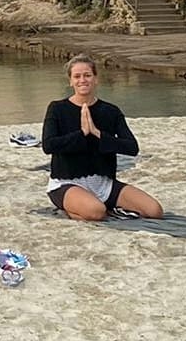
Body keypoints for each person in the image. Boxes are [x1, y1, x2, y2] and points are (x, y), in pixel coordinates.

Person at [40, 56, 162, 221]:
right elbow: (48, 145)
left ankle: (97, 207)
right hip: (67, 182)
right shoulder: (57, 108)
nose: (82, 80)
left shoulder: (111, 111)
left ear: (96, 79)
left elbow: (132, 148)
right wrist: (82, 133)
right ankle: (72, 210)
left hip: (104, 183)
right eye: (77, 76)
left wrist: (98, 134)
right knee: (97, 212)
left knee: (154, 211)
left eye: (87, 75)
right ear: (70, 81)